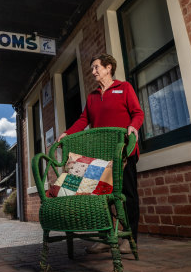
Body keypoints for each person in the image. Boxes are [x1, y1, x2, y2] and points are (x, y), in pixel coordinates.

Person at [57, 53, 144, 254]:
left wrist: (133, 126)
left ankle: (130, 238)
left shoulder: (124, 88)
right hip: (101, 157)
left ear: (108, 68)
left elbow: (138, 113)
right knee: (101, 196)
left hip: (122, 152)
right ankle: (106, 236)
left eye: (96, 67)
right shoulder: (92, 97)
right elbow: (83, 119)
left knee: (128, 195)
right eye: (92, 68)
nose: (93, 71)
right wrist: (67, 133)